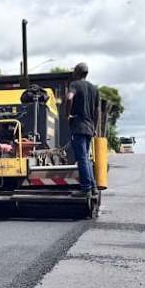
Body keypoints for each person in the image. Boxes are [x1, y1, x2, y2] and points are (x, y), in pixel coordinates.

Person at [65, 62, 99, 196]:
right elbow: (97, 110)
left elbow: (69, 98)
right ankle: (93, 187)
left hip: (78, 127)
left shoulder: (75, 84)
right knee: (86, 158)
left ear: (77, 73)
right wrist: (94, 127)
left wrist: (67, 115)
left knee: (82, 159)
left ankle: (86, 189)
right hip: (90, 128)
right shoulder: (94, 88)